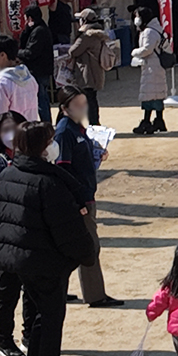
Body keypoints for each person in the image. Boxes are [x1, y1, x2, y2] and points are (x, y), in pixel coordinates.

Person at [0, 120, 97, 356]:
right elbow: (67, 229)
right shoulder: (49, 182)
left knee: (40, 314)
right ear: (42, 146)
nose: (53, 145)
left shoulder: (9, 174)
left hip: (16, 259)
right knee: (51, 318)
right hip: (46, 261)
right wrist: (87, 253)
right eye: (49, 141)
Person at [54, 86, 122, 309]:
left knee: (72, 248)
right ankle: (95, 295)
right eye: (77, 104)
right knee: (89, 246)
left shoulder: (77, 128)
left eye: (84, 103)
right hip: (79, 199)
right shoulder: (64, 132)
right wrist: (77, 201)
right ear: (64, 108)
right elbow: (62, 169)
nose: (83, 108)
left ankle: (58, 289)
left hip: (85, 194)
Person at [0, 110, 33, 356]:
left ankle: (29, 336)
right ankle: (2, 340)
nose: (11, 134)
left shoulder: (32, 160)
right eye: (5, 129)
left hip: (30, 237)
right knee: (7, 290)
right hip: (5, 238)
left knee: (32, 290)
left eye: (16, 127)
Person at [0, 35, 41, 151]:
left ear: (2, 55)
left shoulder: (1, 83)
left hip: (10, 141)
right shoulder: (30, 78)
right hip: (30, 136)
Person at [65, 10, 112, 127]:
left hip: (87, 72)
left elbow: (73, 51)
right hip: (96, 71)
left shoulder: (87, 36)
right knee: (92, 99)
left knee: (87, 99)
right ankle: (95, 122)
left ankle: (93, 123)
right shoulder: (99, 34)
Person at [131, 6, 169, 136]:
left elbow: (147, 49)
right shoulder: (156, 28)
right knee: (157, 93)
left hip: (151, 66)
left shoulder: (149, 31)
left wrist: (134, 52)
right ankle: (159, 120)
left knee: (149, 94)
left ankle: (146, 122)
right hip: (157, 65)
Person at [20, 6, 55, 124]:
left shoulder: (39, 31)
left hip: (39, 70)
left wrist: (16, 52)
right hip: (41, 69)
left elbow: (31, 52)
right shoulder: (39, 28)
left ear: (30, 18)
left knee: (40, 99)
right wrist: (26, 30)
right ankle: (46, 123)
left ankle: (46, 124)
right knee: (42, 98)